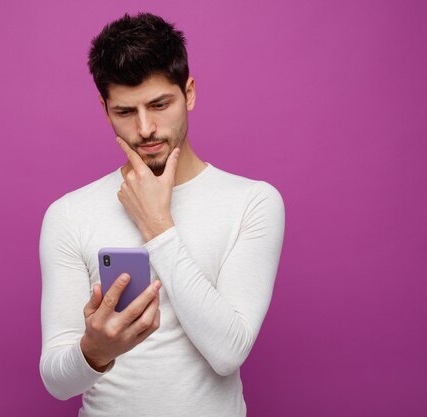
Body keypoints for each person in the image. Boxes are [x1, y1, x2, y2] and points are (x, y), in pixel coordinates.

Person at [39, 12, 285, 417]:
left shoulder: (253, 202)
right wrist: (94, 353)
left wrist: (157, 225)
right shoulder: (69, 214)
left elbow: (228, 353)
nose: (145, 128)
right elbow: (56, 382)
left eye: (160, 104)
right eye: (124, 112)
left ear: (188, 93)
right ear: (104, 108)